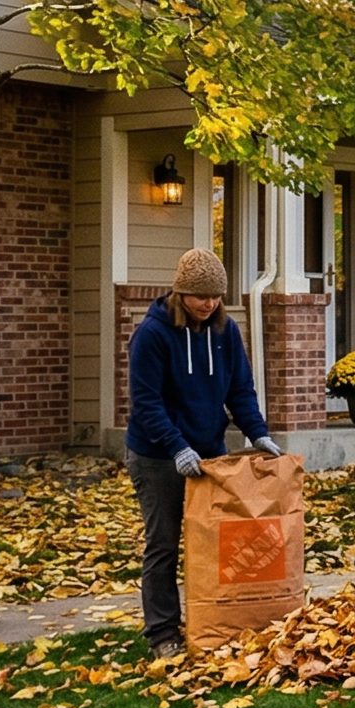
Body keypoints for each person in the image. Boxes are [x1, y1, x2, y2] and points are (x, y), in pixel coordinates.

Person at [125, 247, 281, 659]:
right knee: (163, 542)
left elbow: (239, 390)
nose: (208, 304)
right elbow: (147, 402)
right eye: (199, 296)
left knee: (214, 542)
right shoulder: (153, 334)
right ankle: (162, 633)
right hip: (158, 455)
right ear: (180, 293)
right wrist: (177, 447)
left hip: (210, 455)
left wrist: (258, 435)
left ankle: (211, 620)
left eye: (215, 296)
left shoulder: (225, 332)